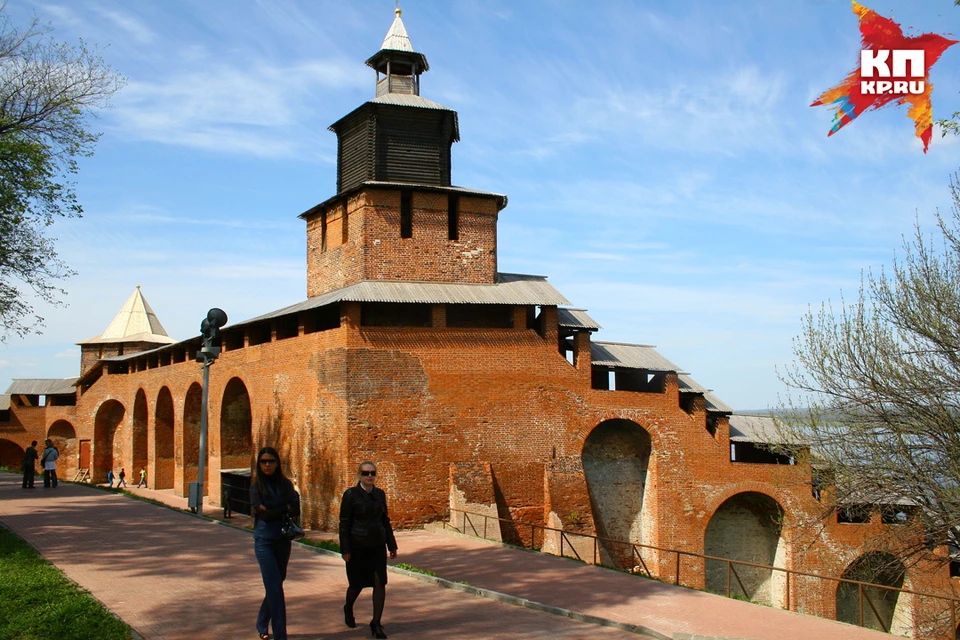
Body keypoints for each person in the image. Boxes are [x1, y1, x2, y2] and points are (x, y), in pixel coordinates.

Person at [339, 461, 398, 639]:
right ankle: (348, 607)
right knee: (356, 585)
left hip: (377, 545)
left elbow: (384, 520)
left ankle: (376, 623)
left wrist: (391, 544)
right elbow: (344, 524)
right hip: (358, 546)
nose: (369, 476)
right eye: (365, 473)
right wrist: (345, 549)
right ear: (359, 475)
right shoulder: (351, 495)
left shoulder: (379, 494)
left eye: (372, 473)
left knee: (380, 583)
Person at [251, 446, 300, 640]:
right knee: (274, 588)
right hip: (263, 541)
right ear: (259, 464)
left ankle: (262, 622)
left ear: (277, 463)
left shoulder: (286, 485)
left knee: (278, 582)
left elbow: (295, 509)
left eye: (271, 461)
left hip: (282, 539)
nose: (267, 465)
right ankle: (281, 635)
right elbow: (263, 514)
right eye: (263, 461)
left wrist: (276, 509)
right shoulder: (256, 487)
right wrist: (283, 507)